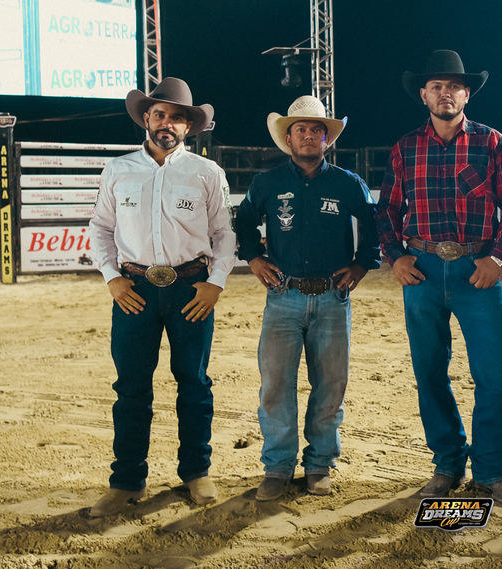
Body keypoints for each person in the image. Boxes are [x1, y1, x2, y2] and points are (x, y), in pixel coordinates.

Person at [376, 50, 502, 504]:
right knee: (429, 373)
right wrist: (395, 257)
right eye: (437, 87)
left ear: (467, 94)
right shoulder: (406, 148)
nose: (446, 93)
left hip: (476, 270)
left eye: (455, 86)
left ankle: (490, 468)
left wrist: (497, 257)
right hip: (421, 271)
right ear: (424, 95)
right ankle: (447, 463)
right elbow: (386, 209)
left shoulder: (492, 143)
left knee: (494, 375)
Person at [87, 78, 236, 517]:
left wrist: (216, 282)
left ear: (189, 127)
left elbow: (225, 233)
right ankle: (126, 480)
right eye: (159, 114)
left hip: (192, 288)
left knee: (194, 383)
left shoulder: (207, 173)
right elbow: (101, 227)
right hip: (133, 290)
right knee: (131, 387)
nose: (166, 123)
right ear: (146, 119)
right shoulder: (118, 170)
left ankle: (196, 472)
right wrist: (112, 278)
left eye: (176, 117)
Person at [236, 96, 381, 501]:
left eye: (317, 129)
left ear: (326, 139)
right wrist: (254, 257)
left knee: (331, 385)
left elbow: (375, 226)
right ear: (288, 137)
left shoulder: (348, 183)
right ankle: (278, 467)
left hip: (333, 297)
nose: (308, 135)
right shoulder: (267, 183)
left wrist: (362, 264)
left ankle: (319, 464)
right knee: (275, 385)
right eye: (300, 129)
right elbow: (243, 222)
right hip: (283, 296)